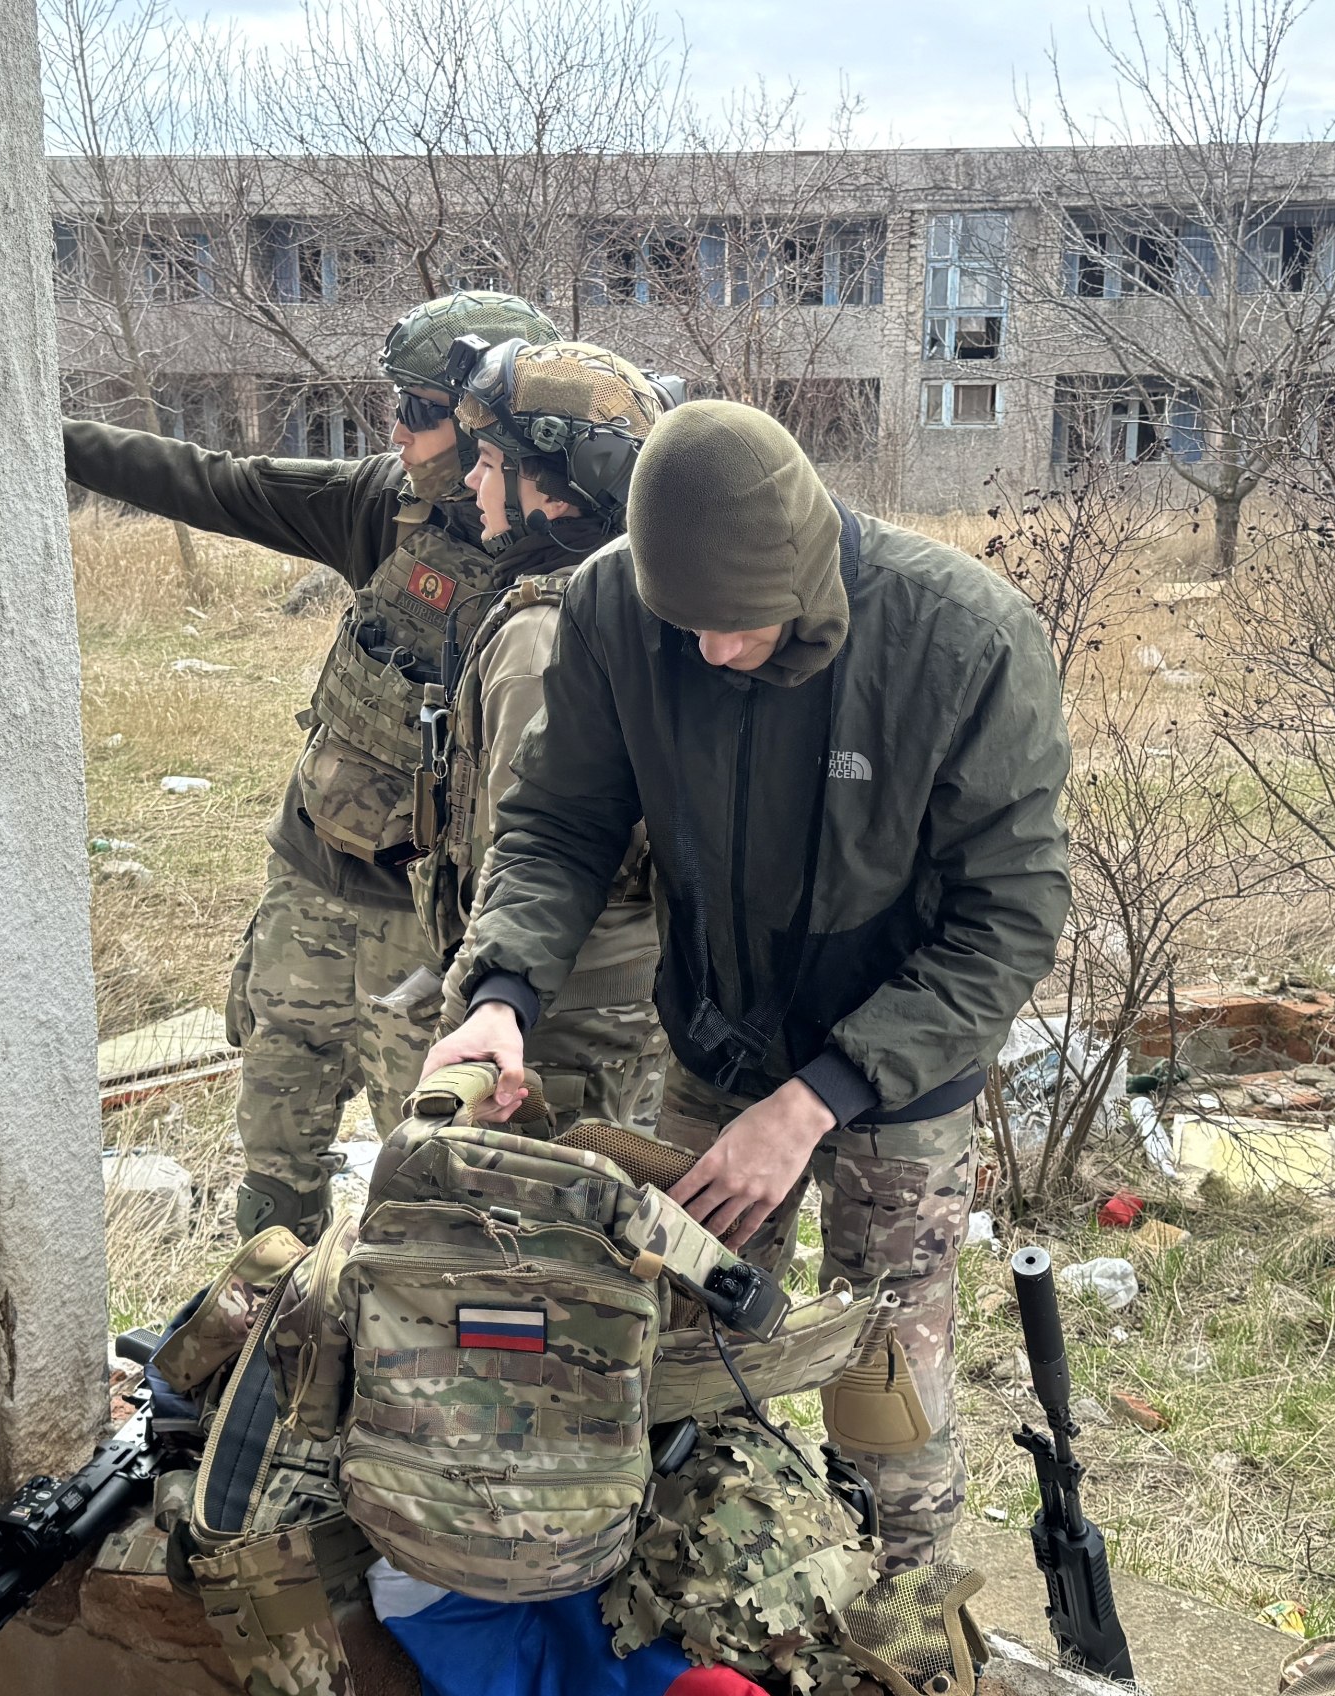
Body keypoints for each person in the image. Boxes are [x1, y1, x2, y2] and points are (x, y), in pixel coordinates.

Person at [423, 400, 1071, 1569]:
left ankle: (912, 1632)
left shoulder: (963, 638)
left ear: (806, 564)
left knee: (886, 1392)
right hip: (717, 1047)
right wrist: (500, 995)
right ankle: (710, 1602)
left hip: (894, 1076)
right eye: (692, 627)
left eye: (740, 626)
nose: (714, 652)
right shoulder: (617, 608)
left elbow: (1010, 921)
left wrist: (821, 1095)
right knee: (685, 1358)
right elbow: (559, 826)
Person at [62, 291, 560, 1242]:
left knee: (431, 1190)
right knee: (274, 1155)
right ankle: (257, 1353)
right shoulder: (384, 505)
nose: (397, 429)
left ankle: (389, 1379)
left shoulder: (573, 558)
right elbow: (216, 481)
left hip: (429, 932)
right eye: (396, 406)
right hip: (307, 886)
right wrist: (42, 432)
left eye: (418, 411)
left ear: (491, 422)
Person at [414, 337, 671, 1130]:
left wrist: (475, 1004)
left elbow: (518, 856)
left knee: (533, 1240)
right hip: (604, 1002)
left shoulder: (546, 632)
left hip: (559, 1020)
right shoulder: (630, 594)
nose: (472, 482)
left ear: (558, 490)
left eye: (491, 462)